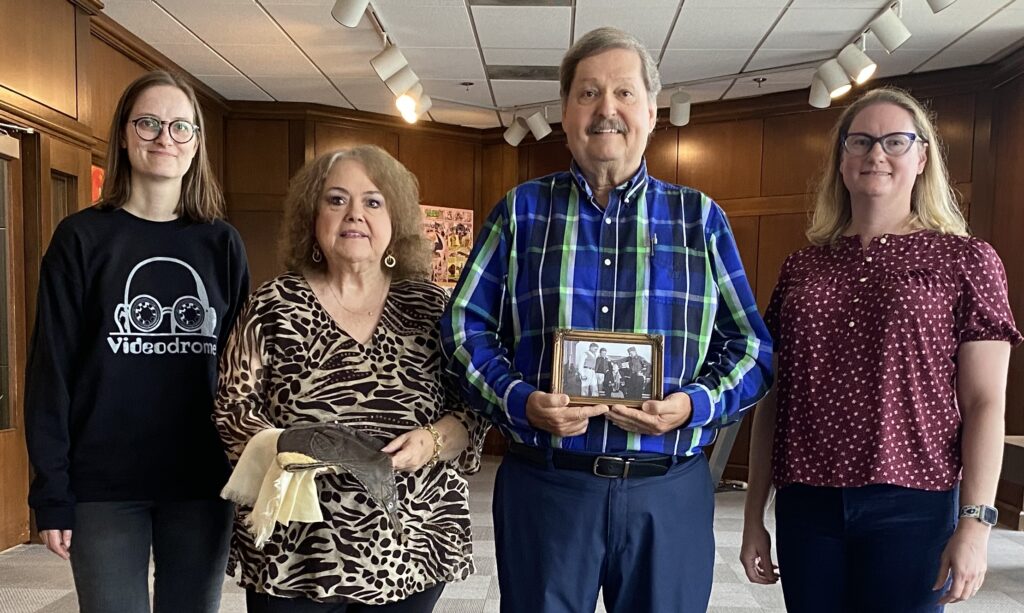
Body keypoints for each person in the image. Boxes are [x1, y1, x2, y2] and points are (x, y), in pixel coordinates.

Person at [441, 26, 772, 613]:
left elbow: (751, 348)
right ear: (565, 114)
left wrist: (694, 405)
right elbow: (463, 327)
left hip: (667, 490)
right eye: (588, 94)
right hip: (546, 485)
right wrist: (519, 400)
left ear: (651, 111)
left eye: (624, 93)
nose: (606, 110)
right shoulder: (519, 212)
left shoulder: (700, 220)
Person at [740, 87, 1021, 612]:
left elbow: (986, 402)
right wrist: (754, 513)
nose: (876, 154)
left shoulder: (966, 260)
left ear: (921, 158)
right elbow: (775, 399)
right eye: (861, 141)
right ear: (840, 163)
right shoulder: (803, 268)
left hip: (914, 503)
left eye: (895, 141)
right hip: (807, 502)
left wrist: (976, 524)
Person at [214, 145, 489, 612]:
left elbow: (472, 410)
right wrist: (292, 451)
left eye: (373, 201)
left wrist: (432, 441)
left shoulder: (431, 307)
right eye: (336, 199)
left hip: (413, 541)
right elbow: (233, 410)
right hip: (295, 550)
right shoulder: (274, 304)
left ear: (395, 219)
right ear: (312, 216)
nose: (354, 214)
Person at [23, 70, 250, 613]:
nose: (163, 138)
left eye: (180, 127)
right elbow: (49, 372)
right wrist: (51, 493)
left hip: (201, 480)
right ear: (123, 135)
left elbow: (245, 372)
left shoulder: (221, 243)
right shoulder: (81, 238)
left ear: (196, 144)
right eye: (148, 123)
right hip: (103, 483)